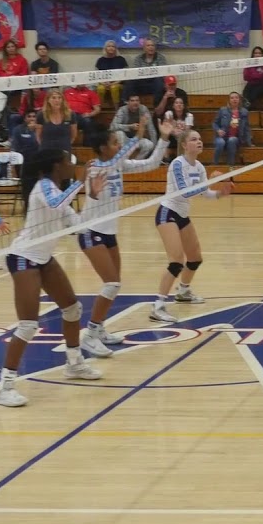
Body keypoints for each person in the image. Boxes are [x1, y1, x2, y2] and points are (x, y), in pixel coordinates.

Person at [0, 149, 108, 407]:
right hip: (23, 257)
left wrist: (93, 197)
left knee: (72, 309)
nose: (72, 165)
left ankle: (74, 364)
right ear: (57, 166)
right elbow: (57, 204)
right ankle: (5, 386)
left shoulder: (56, 191)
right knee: (28, 325)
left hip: (44, 258)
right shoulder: (44, 186)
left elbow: (79, 225)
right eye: (68, 161)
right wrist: (81, 182)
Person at [77, 122, 173, 357]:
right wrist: (136, 138)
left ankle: (99, 329)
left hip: (109, 233)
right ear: (103, 148)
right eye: (114, 143)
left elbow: (151, 163)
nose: (118, 146)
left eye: (119, 143)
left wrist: (163, 138)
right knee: (111, 284)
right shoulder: (95, 168)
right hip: (90, 232)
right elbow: (100, 180)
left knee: (114, 284)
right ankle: (89, 335)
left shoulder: (118, 164)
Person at [150, 130, 234, 323]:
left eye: (200, 139)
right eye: (194, 139)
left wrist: (220, 193)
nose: (199, 142)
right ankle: (158, 306)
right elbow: (184, 192)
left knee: (195, 258)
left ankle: (183, 291)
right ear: (184, 145)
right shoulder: (177, 164)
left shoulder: (199, 167)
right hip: (168, 212)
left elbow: (205, 194)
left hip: (182, 215)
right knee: (176, 261)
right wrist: (210, 182)